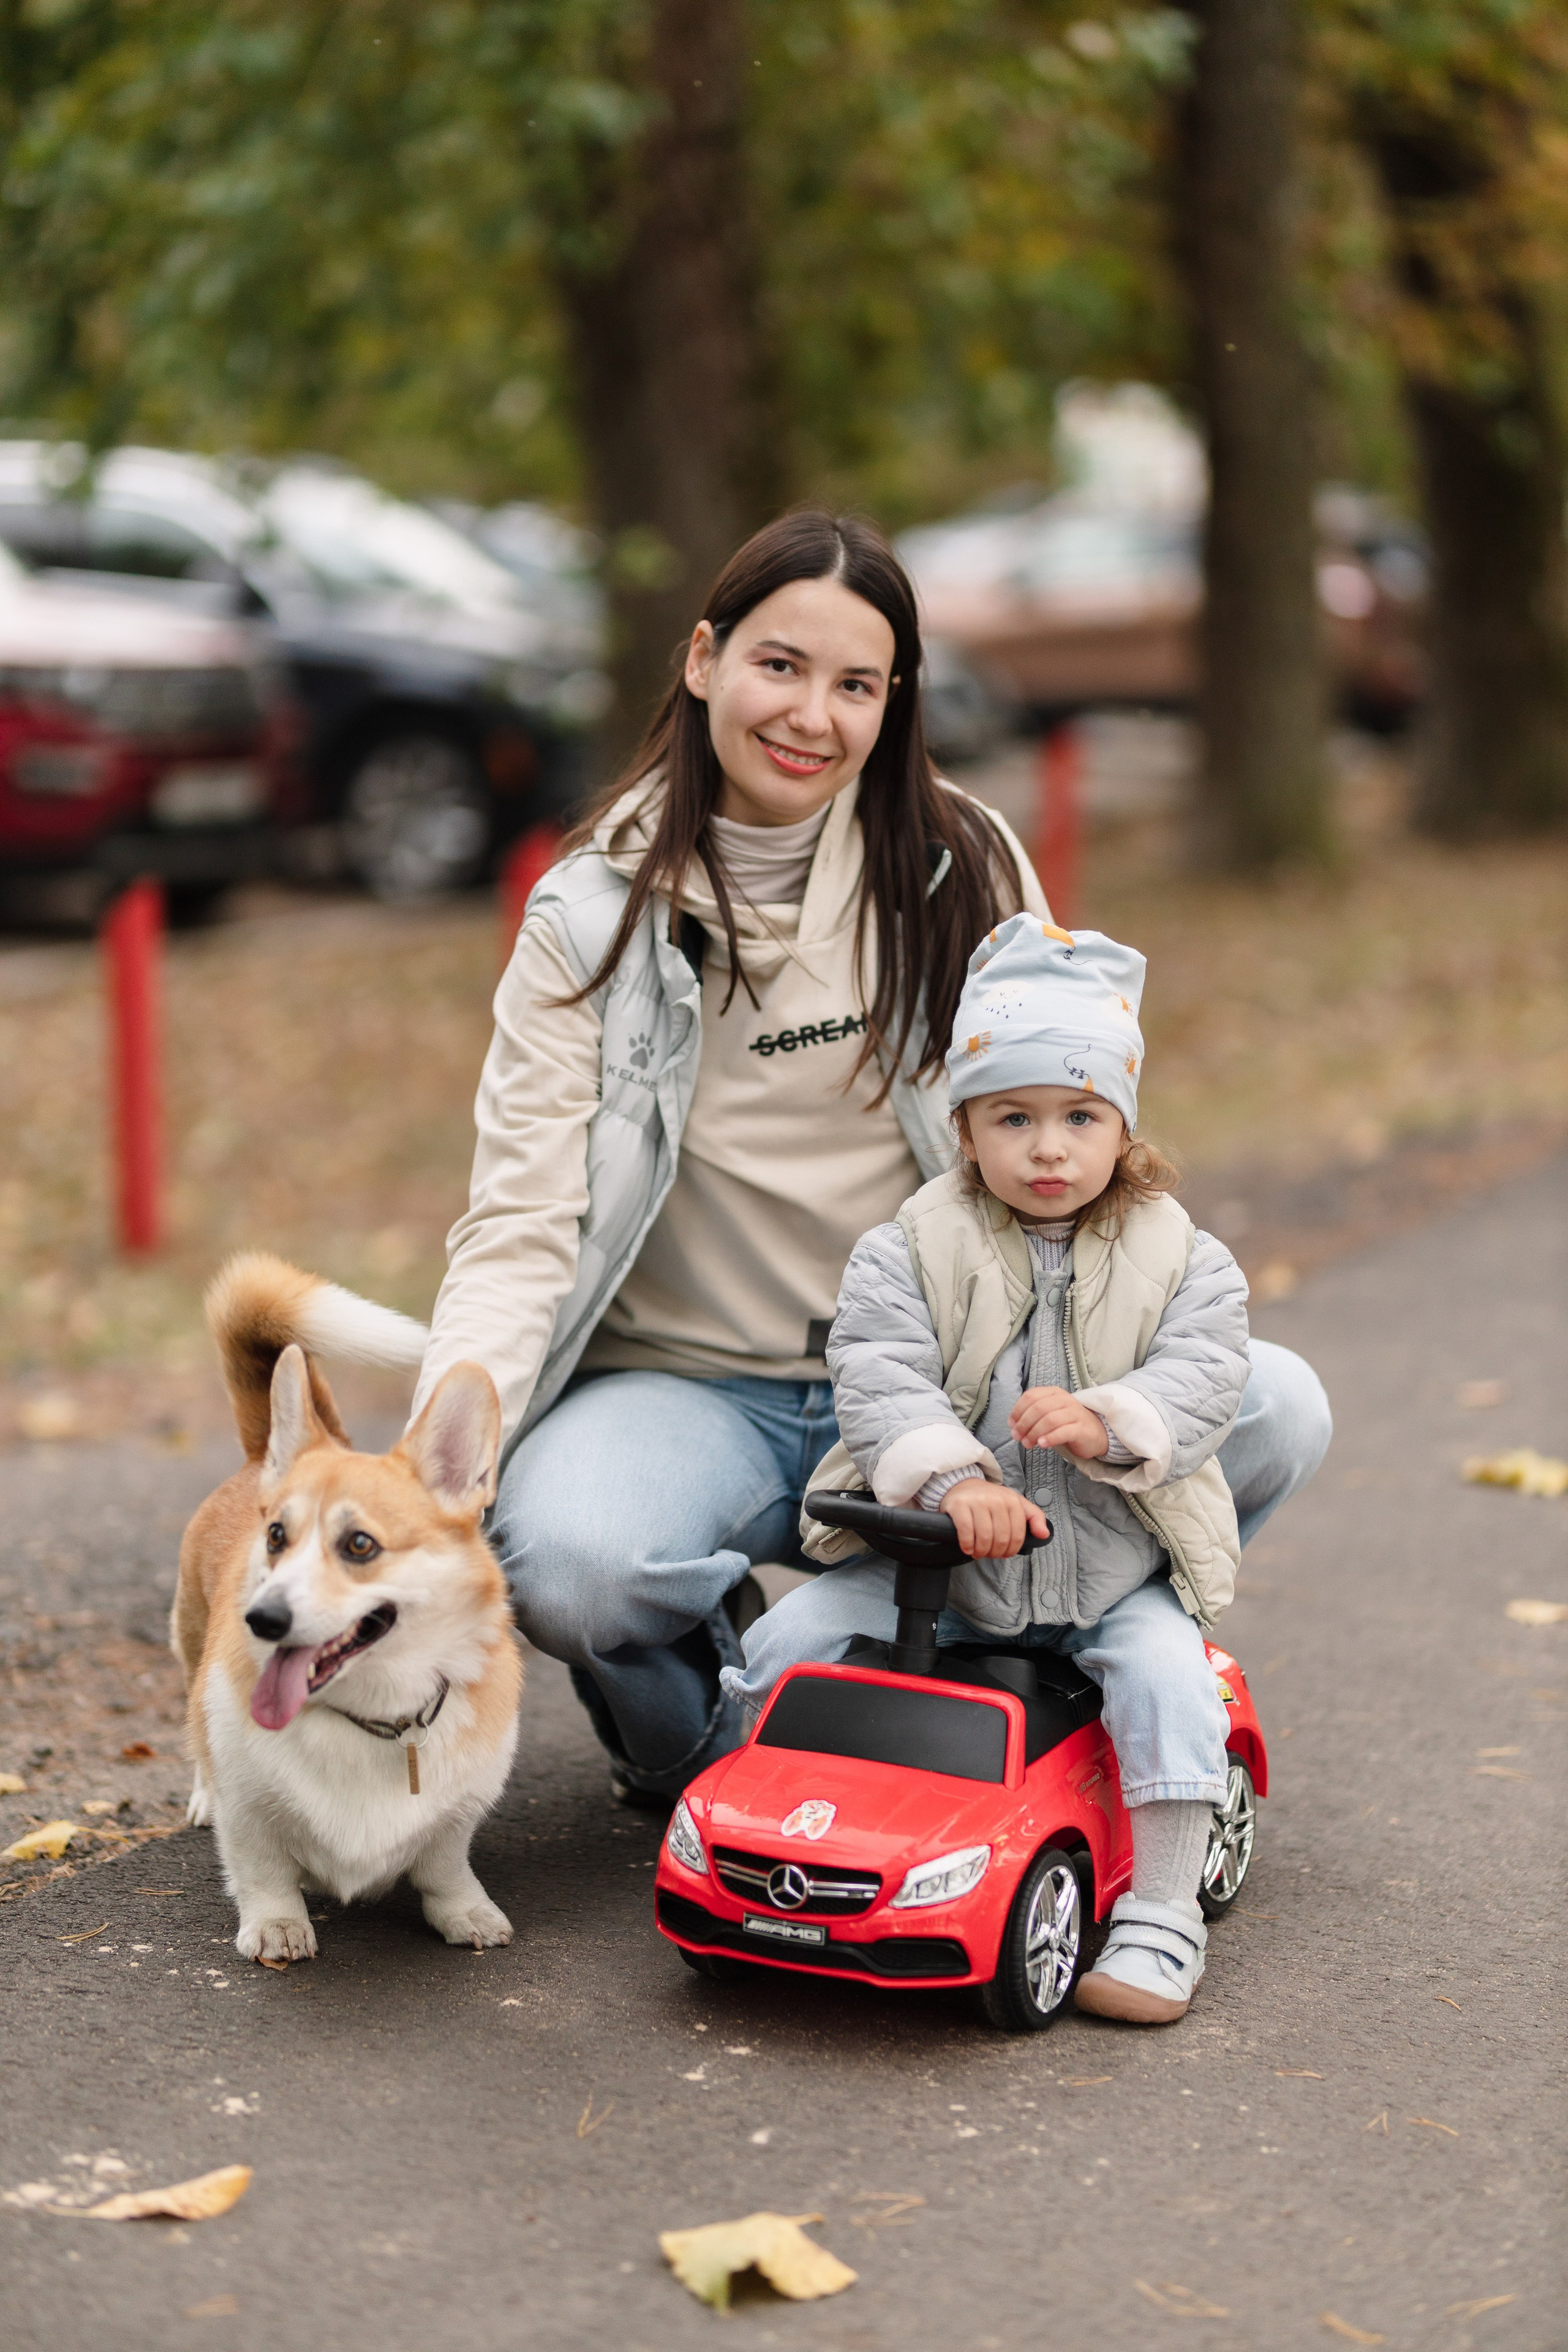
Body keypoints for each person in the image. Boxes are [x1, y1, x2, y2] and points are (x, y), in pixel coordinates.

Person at [410, 510, 1331, 1809]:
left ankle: (1016, 1652)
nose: (811, 716)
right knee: (569, 1568)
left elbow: (1070, 1124)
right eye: (778, 666)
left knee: (1275, 1403)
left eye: (856, 686)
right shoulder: (587, 923)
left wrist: (1110, 1357)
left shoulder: (956, 867)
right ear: (700, 662)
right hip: (693, 1387)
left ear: (893, 704)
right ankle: (698, 1739)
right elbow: (516, 1225)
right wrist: (441, 1452)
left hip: (948, 1375)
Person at [726, 912, 1264, 2024]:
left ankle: (1160, 1916)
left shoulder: (1186, 1259)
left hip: (1109, 1571)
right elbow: (877, 1373)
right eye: (1013, 1118)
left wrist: (1116, 1420)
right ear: (965, 1129)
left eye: (1079, 1116)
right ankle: (751, 1835)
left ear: (1123, 1123)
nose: (1049, 1148)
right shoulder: (910, 1248)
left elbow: (1207, 1376)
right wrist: (948, 1480)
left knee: (1171, 1683)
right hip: (945, 1574)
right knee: (787, 1641)